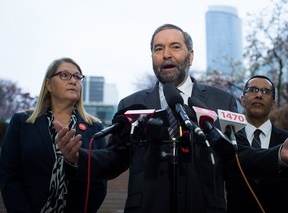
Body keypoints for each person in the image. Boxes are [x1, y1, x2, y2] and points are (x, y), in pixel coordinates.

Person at [56, 24, 239, 213]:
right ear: (152, 57)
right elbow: (114, 158)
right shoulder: (131, 105)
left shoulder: (223, 101)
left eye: (175, 47)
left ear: (190, 56)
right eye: (158, 49)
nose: (166, 54)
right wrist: (78, 158)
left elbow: (237, 163)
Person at [0, 57, 107, 213]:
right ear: (48, 85)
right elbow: (9, 176)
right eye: (64, 75)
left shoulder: (94, 127)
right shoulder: (22, 122)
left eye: (78, 77)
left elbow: (99, 184)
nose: (73, 81)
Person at [225, 75, 288, 213]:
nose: (259, 95)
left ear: (273, 103)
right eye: (253, 89)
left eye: (266, 91)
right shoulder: (228, 138)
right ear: (242, 99)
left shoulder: (286, 140)